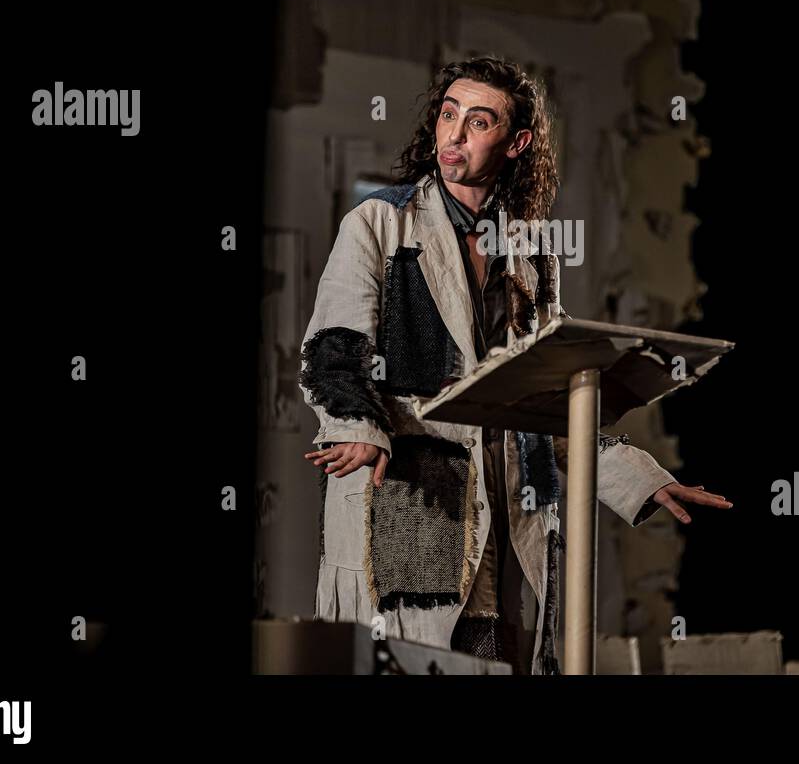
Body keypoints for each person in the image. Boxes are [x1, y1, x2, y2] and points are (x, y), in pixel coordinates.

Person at [298, 56, 731, 674]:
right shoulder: (379, 222)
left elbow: (551, 398)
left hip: (506, 509)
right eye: (448, 115)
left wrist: (639, 478)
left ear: (516, 141)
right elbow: (333, 348)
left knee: (501, 659)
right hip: (417, 500)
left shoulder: (529, 251)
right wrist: (359, 430)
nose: (454, 134)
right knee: (411, 659)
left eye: (478, 122)